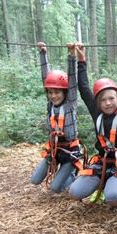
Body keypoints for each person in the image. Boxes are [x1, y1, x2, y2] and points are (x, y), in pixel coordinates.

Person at [68, 41, 117, 207]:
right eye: (103, 100)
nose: (108, 103)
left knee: (113, 198)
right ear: (98, 103)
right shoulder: (97, 113)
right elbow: (84, 88)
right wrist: (81, 60)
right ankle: (102, 184)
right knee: (74, 193)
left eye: (111, 99)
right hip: (102, 163)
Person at [30, 42, 83, 193]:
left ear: (65, 93)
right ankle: (62, 174)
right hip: (55, 150)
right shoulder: (50, 105)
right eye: (50, 92)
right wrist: (43, 53)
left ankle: (72, 174)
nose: (53, 96)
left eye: (57, 92)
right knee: (34, 180)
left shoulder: (70, 104)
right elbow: (45, 78)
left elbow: (73, 80)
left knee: (55, 188)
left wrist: (72, 55)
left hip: (70, 153)